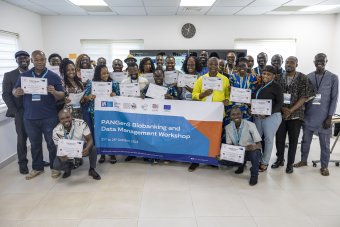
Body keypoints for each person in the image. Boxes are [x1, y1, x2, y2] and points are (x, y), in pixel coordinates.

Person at [13, 50, 65, 180]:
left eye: (42, 59)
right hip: (30, 117)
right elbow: (14, 90)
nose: (40, 62)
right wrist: (17, 92)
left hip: (49, 116)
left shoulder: (53, 76)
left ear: (45, 60)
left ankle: (55, 167)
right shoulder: (25, 76)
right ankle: (37, 168)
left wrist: (54, 92)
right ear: (32, 61)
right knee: (35, 144)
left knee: (51, 144)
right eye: (37, 60)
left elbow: (62, 94)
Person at [294, 53, 339, 176]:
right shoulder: (308, 77)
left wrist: (330, 117)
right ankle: (303, 160)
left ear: (326, 61)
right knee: (305, 141)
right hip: (309, 115)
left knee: (325, 144)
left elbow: (334, 99)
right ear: (314, 61)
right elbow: (303, 96)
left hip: (324, 117)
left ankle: (324, 166)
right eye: (317, 60)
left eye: (322, 60)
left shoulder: (333, 78)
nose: (320, 62)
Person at [273, 56, 314, 174]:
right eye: (287, 62)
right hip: (280, 113)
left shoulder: (303, 78)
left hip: (296, 114)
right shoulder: (278, 77)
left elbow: (304, 97)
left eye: (292, 62)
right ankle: (279, 159)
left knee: (293, 140)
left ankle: (289, 164)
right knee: (279, 139)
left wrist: (290, 110)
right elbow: (275, 95)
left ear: (297, 64)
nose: (288, 64)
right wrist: (282, 108)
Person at [191, 57, 230, 171]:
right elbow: (194, 95)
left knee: (215, 138)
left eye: (216, 65)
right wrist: (203, 94)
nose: (213, 67)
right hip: (204, 113)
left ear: (219, 66)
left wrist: (227, 100)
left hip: (218, 114)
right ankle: (196, 161)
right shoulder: (201, 79)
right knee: (199, 137)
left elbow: (228, 95)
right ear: (207, 65)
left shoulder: (224, 79)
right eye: (211, 64)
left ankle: (212, 160)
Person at [83, 65, 120, 164]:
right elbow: (84, 97)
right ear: (98, 74)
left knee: (110, 131)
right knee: (99, 133)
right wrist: (89, 96)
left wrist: (115, 95)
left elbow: (120, 96)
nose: (106, 75)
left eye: (107, 73)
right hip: (95, 111)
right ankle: (102, 154)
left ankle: (112, 153)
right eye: (103, 73)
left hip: (110, 111)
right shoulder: (91, 84)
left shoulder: (113, 84)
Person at [2, 51, 30, 174]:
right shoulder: (9, 75)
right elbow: (6, 95)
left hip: (35, 111)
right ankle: (22, 163)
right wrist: (15, 111)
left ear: (29, 60)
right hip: (20, 111)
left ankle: (38, 161)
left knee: (36, 138)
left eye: (26, 58)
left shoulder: (34, 73)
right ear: (16, 61)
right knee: (22, 139)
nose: (23, 60)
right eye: (20, 58)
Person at [52, 108, 101, 180]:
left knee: (93, 149)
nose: (66, 120)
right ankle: (68, 168)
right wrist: (61, 156)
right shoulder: (56, 131)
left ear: (71, 116)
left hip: (80, 147)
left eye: (68, 117)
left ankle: (92, 169)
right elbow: (58, 148)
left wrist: (87, 149)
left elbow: (90, 140)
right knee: (56, 165)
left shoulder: (81, 123)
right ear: (59, 120)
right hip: (67, 150)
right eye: (62, 119)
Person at [252, 65, 283, 172]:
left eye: (268, 74)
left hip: (272, 117)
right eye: (264, 73)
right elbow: (253, 99)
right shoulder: (259, 85)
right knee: (257, 139)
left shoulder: (276, 87)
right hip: (257, 116)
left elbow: (279, 103)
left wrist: (267, 114)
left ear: (273, 76)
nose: (265, 76)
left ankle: (264, 163)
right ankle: (257, 159)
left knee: (268, 140)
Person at [224, 106, 262, 186]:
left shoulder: (251, 125)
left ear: (242, 114)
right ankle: (241, 164)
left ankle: (254, 175)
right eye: (233, 114)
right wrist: (224, 154)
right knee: (221, 160)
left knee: (255, 153)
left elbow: (259, 144)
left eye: (238, 114)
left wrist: (253, 147)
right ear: (230, 116)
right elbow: (229, 145)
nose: (236, 116)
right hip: (239, 152)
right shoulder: (228, 127)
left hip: (250, 151)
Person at [226, 58, 257, 124]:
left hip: (246, 108)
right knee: (232, 127)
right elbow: (230, 93)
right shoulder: (232, 77)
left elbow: (253, 93)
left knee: (246, 129)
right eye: (239, 66)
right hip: (233, 107)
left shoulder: (252, 78)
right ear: (237, 67)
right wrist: (230, 90)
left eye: (244, 65)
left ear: (247, 66)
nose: (242, 68)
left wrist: (250, 107)